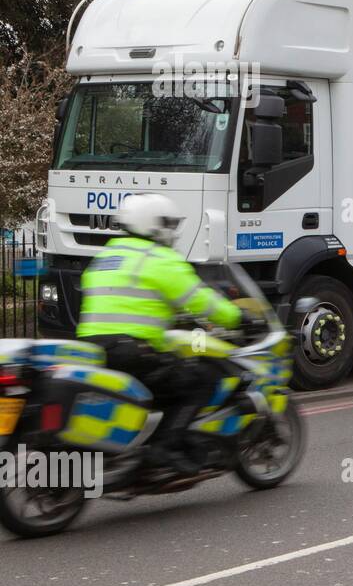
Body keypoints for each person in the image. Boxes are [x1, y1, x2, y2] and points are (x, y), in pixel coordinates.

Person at [76, 194, 246, 472]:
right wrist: (237, 316)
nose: (171, 231)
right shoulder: (159, 259)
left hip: (92, 351)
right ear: (154, 225)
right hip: (132, 351)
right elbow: (201, 300)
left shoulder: (105, 257)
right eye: (167, 223)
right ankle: (164, 447)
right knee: (200, 381)